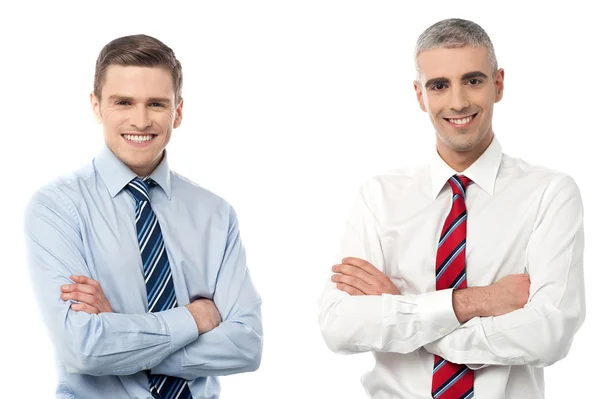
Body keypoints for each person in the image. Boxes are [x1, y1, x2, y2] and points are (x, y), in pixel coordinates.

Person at [318, 18, 585, 399]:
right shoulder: (378, 197)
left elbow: (548, 334)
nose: (458, 102)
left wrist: (404, 312)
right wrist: (478, 302)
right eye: (439, 85)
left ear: (499, 84)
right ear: (419, 94)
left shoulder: (550, 193)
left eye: (473, 80)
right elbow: (338, 326)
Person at [24, 34, 263, 399]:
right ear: (96, 106)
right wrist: (194, 320)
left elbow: (246, 346)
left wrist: (121, 333)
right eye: (123, 102)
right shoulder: (57, 208)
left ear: (177, 112)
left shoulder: (215, 214)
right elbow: (83, 349)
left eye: (156, 104)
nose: (140, 120)